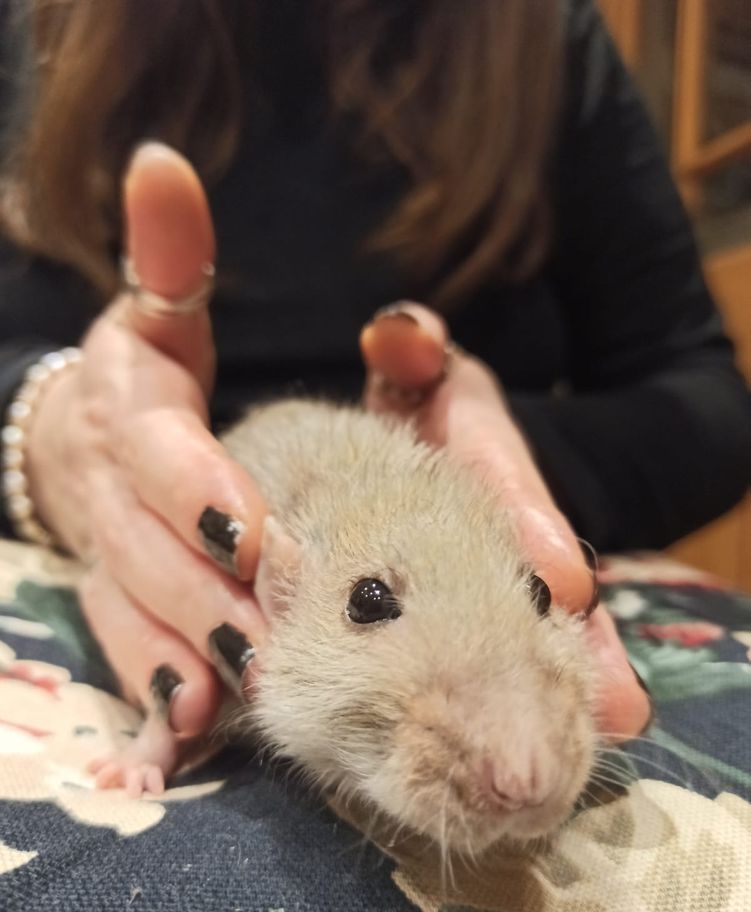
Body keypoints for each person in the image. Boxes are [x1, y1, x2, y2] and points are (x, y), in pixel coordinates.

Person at [0, 0, 748, 775]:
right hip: (137, 556)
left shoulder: (548, 30)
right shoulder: (25, 26)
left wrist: (497, 480)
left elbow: (700, 388)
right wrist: (50, 428)